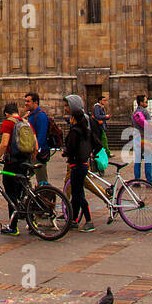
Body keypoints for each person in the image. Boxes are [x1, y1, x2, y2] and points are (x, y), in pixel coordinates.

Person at [0, 102, 37, 236]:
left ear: (6, 113)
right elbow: (36, 146)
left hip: (13, 162)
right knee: (24, 193)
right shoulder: (26, 123)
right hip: (26, 162)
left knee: (11, 194)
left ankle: (13, 226)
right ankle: (32, 223)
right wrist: (32, 162)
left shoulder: (8, 123)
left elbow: (4, 144)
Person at [62, 94, 95, 232]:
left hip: (78, 164)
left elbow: (72, 147)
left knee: (79, 194)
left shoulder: (76, 131)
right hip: (81, 163)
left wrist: (67, 152)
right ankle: (74, 219)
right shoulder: (84, 129)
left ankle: (89, 221)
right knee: (76, 193)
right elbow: (95, 143)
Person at [23, 93, 53, 185]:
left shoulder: (40, 116)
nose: (26, 103)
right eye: (25, 101)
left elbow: (41, 136)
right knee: (23, 177)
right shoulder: (31, 115)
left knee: (42, 180)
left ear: (35, 102)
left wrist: (35, 151)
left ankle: (45, 198)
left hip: (39, 154)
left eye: (28, 101)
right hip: (32, 152)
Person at [130, 94, 152, 183]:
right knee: (148, 160)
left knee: (137, 160)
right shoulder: (145, 112)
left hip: (137, 138)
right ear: (141, 103)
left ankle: (137, 180)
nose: (147, 103)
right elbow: (150, 125)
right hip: (146, 138)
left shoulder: (133, 113)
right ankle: (149, 181)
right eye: (145, 101)